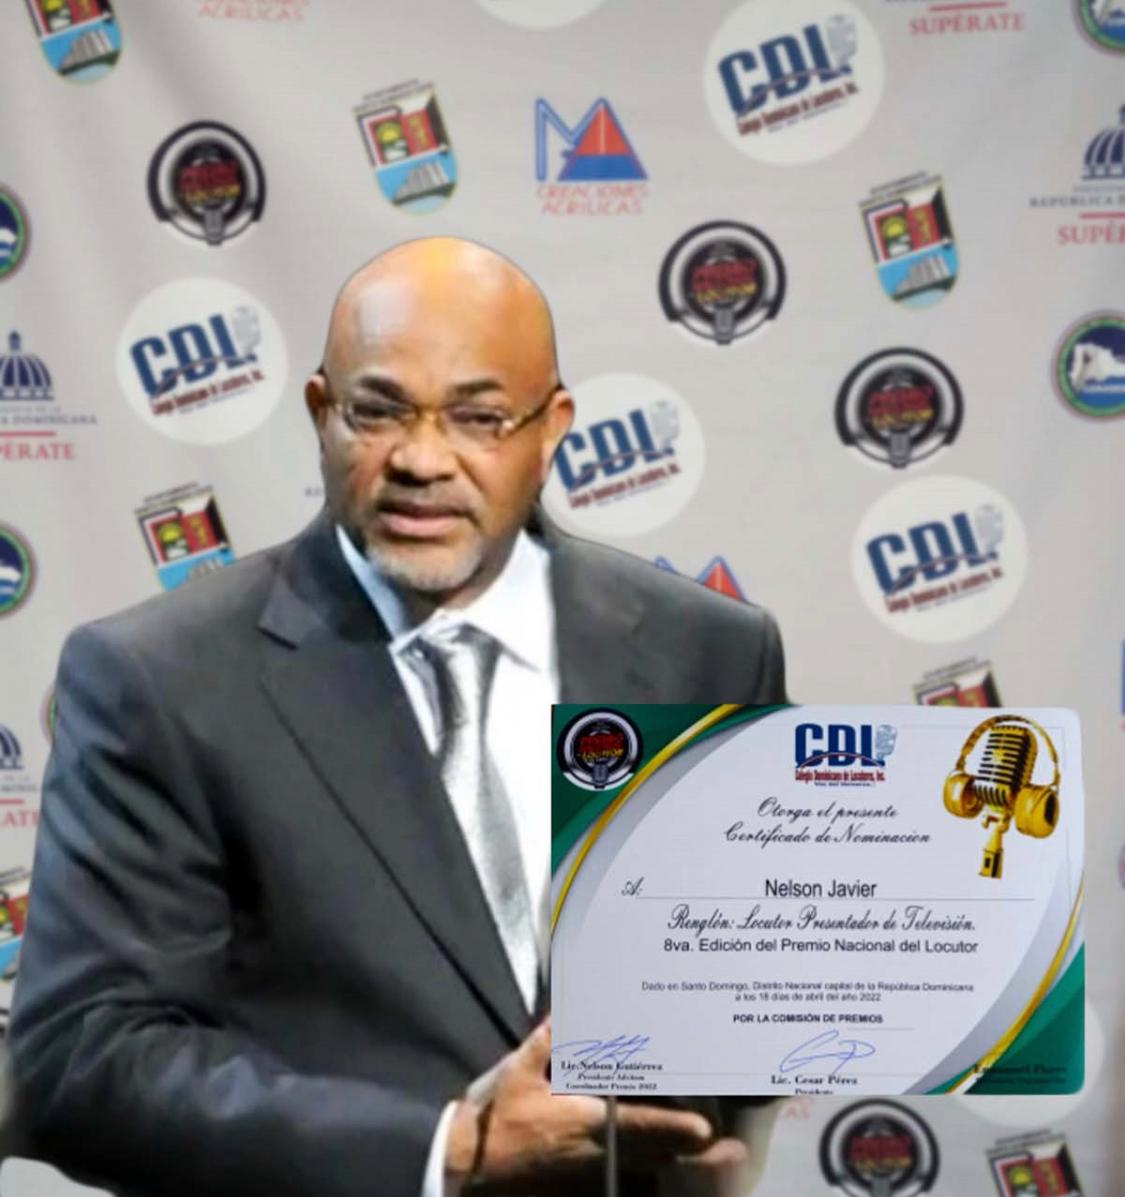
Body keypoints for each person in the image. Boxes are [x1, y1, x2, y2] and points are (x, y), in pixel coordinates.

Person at [9, 238, 787, 1196]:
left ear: (552, 429)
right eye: (377, 412)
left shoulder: (706, 651)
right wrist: (446, 1149)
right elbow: (79, 1059)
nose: (421, 460)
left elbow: (747, 991)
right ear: (319, 413)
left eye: (478, 417)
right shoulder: (161, 679)